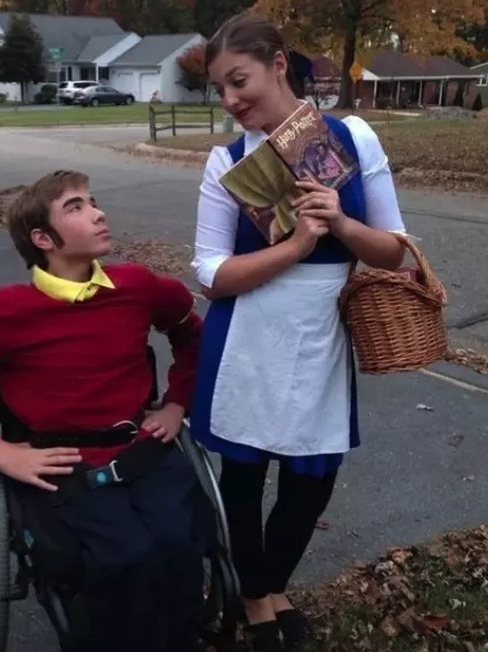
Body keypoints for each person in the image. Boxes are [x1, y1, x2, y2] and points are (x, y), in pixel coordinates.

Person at [0, 169, 213, 652]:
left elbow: (191, 333)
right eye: (76, 207)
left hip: (142, 448)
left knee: (182, 545)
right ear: (43, 238)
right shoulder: (3, 316)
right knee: (123, 557)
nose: (99, 213)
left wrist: (176, 403)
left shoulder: (137, 287)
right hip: (63, 465)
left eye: (93, 201)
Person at [189, 14, 408, 652]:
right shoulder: (226, 160)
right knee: (244, 473)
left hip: (323, 329)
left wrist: (339, 223)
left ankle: (270, 580)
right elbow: (210, 275)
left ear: (278, 64)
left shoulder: (353, 136)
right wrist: (293, 245)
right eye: (220, 89)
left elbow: (394, 252)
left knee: (312, 477)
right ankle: (256, 596)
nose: (231, 100)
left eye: (240, 81)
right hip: (248, 330)